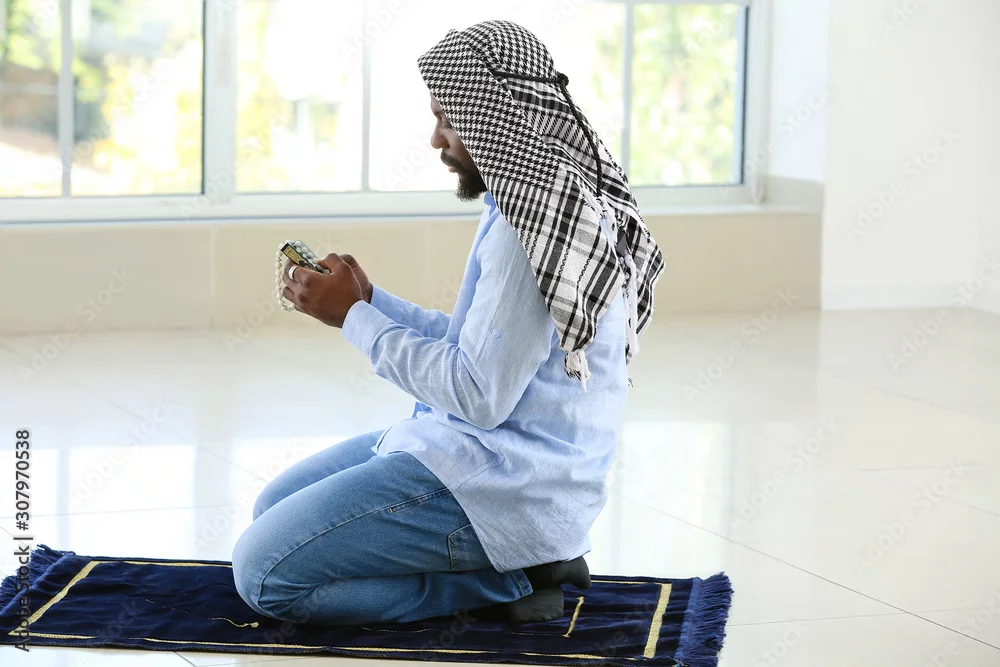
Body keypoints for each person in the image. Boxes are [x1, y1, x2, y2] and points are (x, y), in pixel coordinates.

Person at [232, 20, 664, 627]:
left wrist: (353, 317)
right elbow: (480, 347)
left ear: (495, 120)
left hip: (509, 486)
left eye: (447, 118)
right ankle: (520, 562)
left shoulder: (525, 234)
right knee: (272, 507)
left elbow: (477, 394)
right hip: (483, 454)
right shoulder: (539, 205)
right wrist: (369, 300)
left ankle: (512, 577)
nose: (436, 138)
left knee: (264, 575)